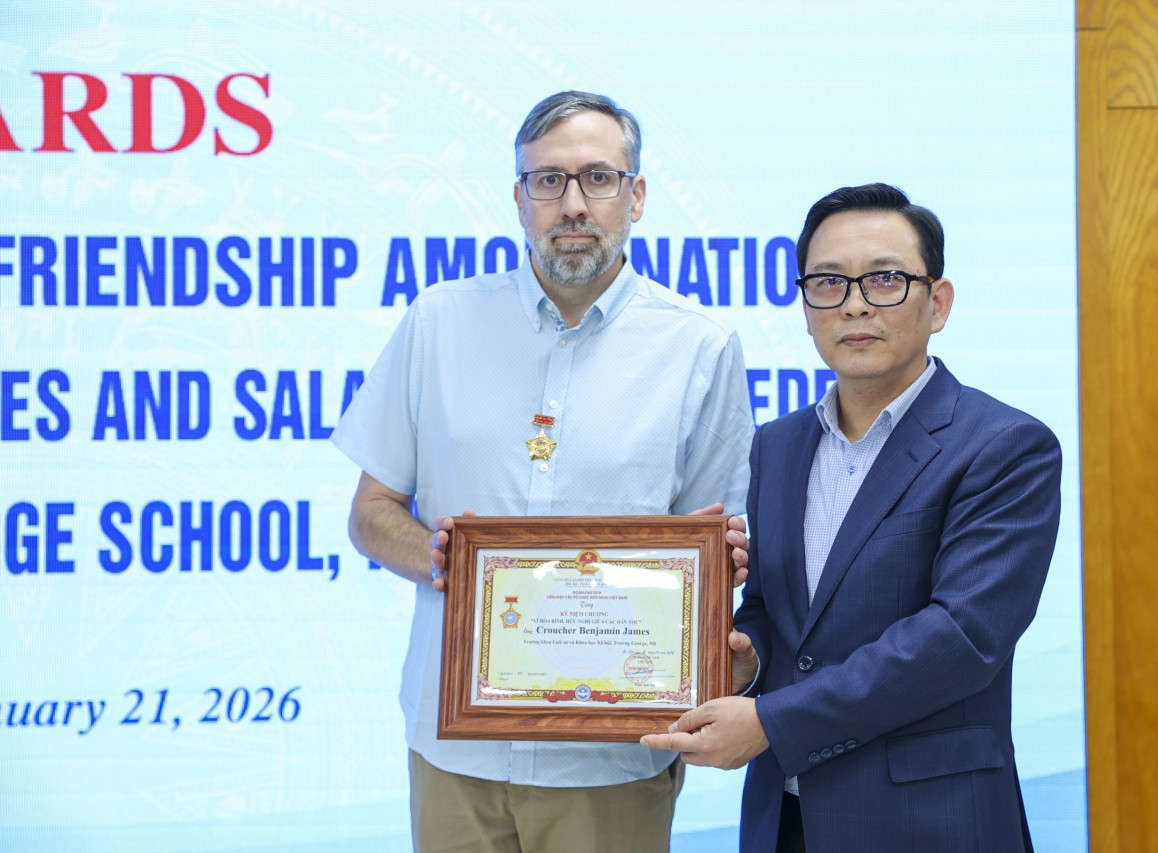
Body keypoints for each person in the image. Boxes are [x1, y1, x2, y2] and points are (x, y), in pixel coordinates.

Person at [330, 91, 754, 853]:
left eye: (598, 178)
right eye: (548, 181)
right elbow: (371, 511)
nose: (573, 203)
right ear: (519, 199)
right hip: (452, 746)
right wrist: (435, 558)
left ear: (638, 196)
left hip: (610, 756)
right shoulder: (438, 321)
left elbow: (712, 551)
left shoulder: (700, 347)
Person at [641, 183, 1062, 852]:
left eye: (887, 279)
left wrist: (772, 721)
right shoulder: (777, 445)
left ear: (939, 302)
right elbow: (776, 616)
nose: (857, 303)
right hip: (787, 818)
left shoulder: (1006, 445)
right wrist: (744, 661)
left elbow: (959, 640)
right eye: (829, 282)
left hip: (931, 822)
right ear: (806, 306)